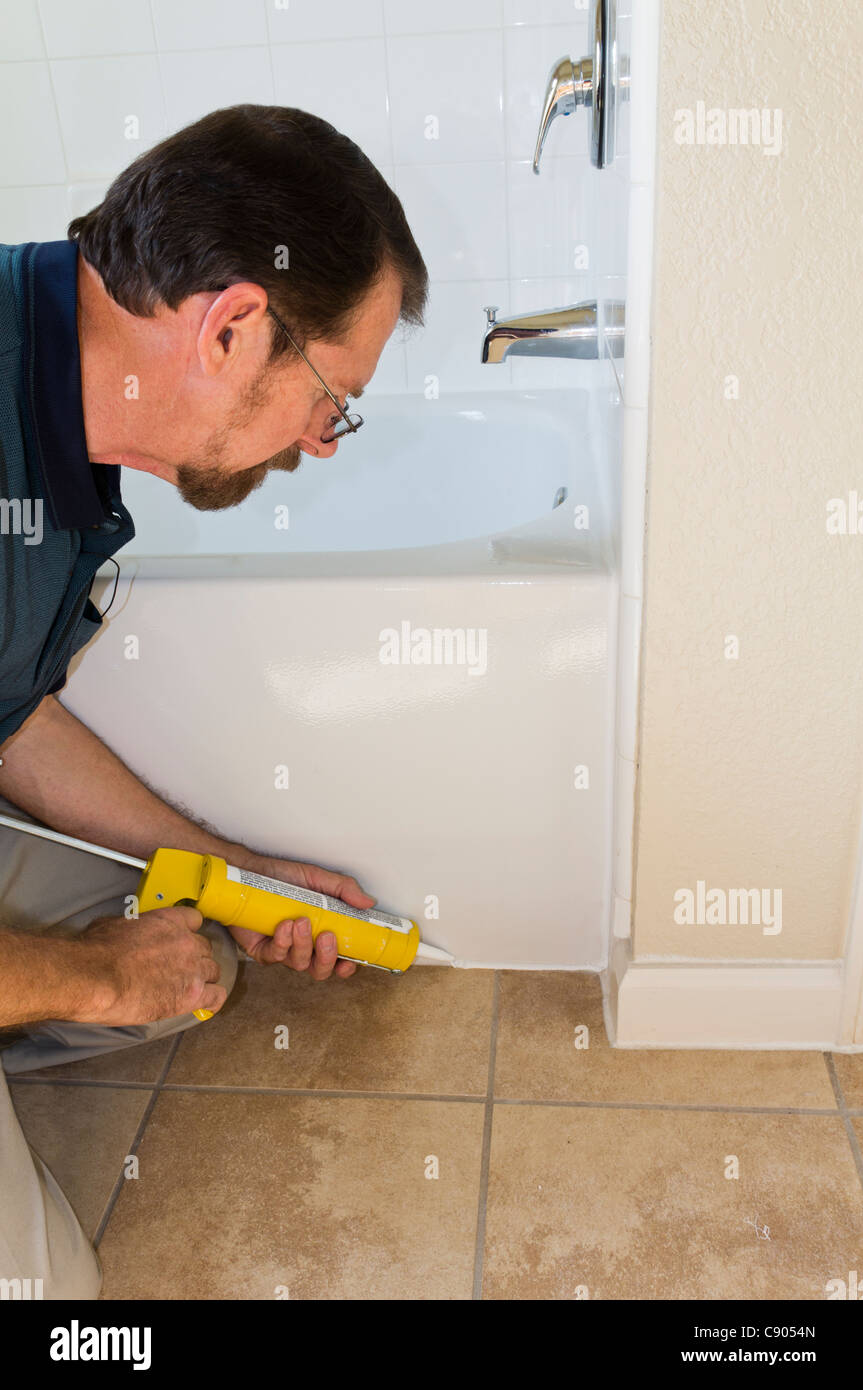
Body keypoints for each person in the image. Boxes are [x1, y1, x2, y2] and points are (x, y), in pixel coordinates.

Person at [0, 104, 428, 1298]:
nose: (324, 441)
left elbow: (11, 716)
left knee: (190, 955)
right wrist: (90, 975)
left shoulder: (65, 420)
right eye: (331, 397)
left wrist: (237, 872)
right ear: (236, 326)